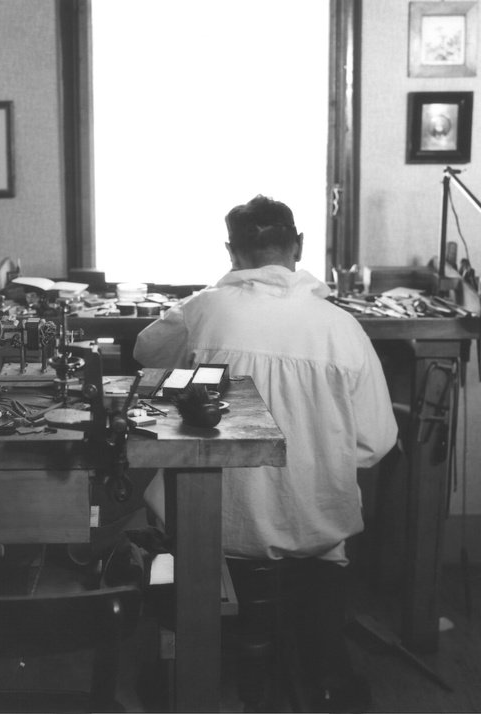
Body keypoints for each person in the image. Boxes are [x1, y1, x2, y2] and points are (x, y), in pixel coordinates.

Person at [133, 194, 397, 710]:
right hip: (315, 531)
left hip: (218, 528)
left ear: (232, 253)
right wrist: (313, 461)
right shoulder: (342, 327)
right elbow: (376, 442)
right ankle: (314, 671)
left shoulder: (203, 309)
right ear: (297, 247)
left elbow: (146, 351)